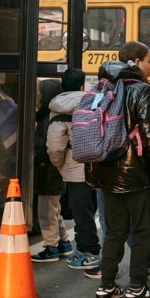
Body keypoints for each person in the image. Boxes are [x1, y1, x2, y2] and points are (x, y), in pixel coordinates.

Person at [89, 41, 150, 298]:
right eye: (148, 61)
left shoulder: (101, 88)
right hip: (136, 175)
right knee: (142, 231)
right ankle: (137, 289)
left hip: (107, 173)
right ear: (136, 62)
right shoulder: (141, 91)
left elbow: (90, 134)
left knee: (113, 231)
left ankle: (107, 286)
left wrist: (93, 177)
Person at [47, 68, 101, 269]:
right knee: (92, 210)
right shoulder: (92, 103)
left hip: (74, 167)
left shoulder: (58, 108)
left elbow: (55, 144)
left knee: (81, 213)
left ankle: (90, 252)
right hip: (96, 165)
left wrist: (59, 164)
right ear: (81, 86)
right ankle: (89, 249)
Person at [30, 79, 73, 262]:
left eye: (39, 95)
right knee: (54, 209)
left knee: (46, 211)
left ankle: (51, 248)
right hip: (54, 170)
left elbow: (43, 146)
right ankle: (63, 242)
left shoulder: (47, 119)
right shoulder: (55, 115)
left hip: (47, 169)